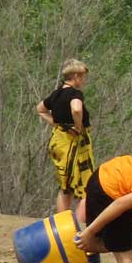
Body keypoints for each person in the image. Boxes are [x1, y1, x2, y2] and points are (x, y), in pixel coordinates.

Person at [36, 59, 95, 213]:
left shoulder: (56, 94)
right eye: (82, 77)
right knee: (87, 186)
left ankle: (62, 222)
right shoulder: (75, 94)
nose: (83, 80)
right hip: (74, 142)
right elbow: (76, 109)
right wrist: (77, 126)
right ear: (76, 76)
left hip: (58, 141)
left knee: (65, 186)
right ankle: (79, 227)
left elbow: (40, 109)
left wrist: (56, 123)